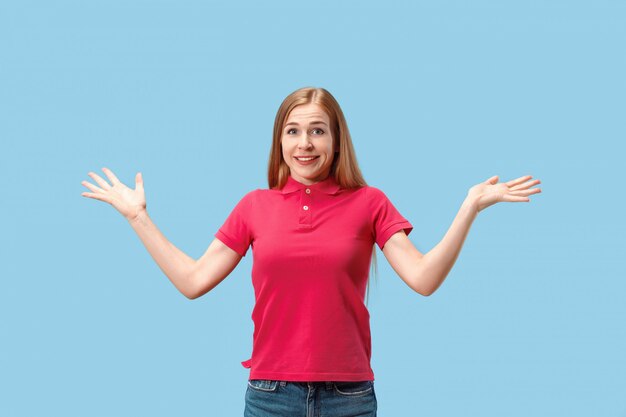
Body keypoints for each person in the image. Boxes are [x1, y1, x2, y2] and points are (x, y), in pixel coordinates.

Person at [80, 86, 542, 416]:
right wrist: (137, 217)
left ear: (336, 140)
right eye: (294, 131)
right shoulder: (254, 206)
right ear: (279, 142)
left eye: (318, 131)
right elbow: (193, 280)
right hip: (269, 395)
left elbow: (423, 279)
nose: (305, 143)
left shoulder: (370, 203)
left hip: (350, 397)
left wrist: (469, 208)